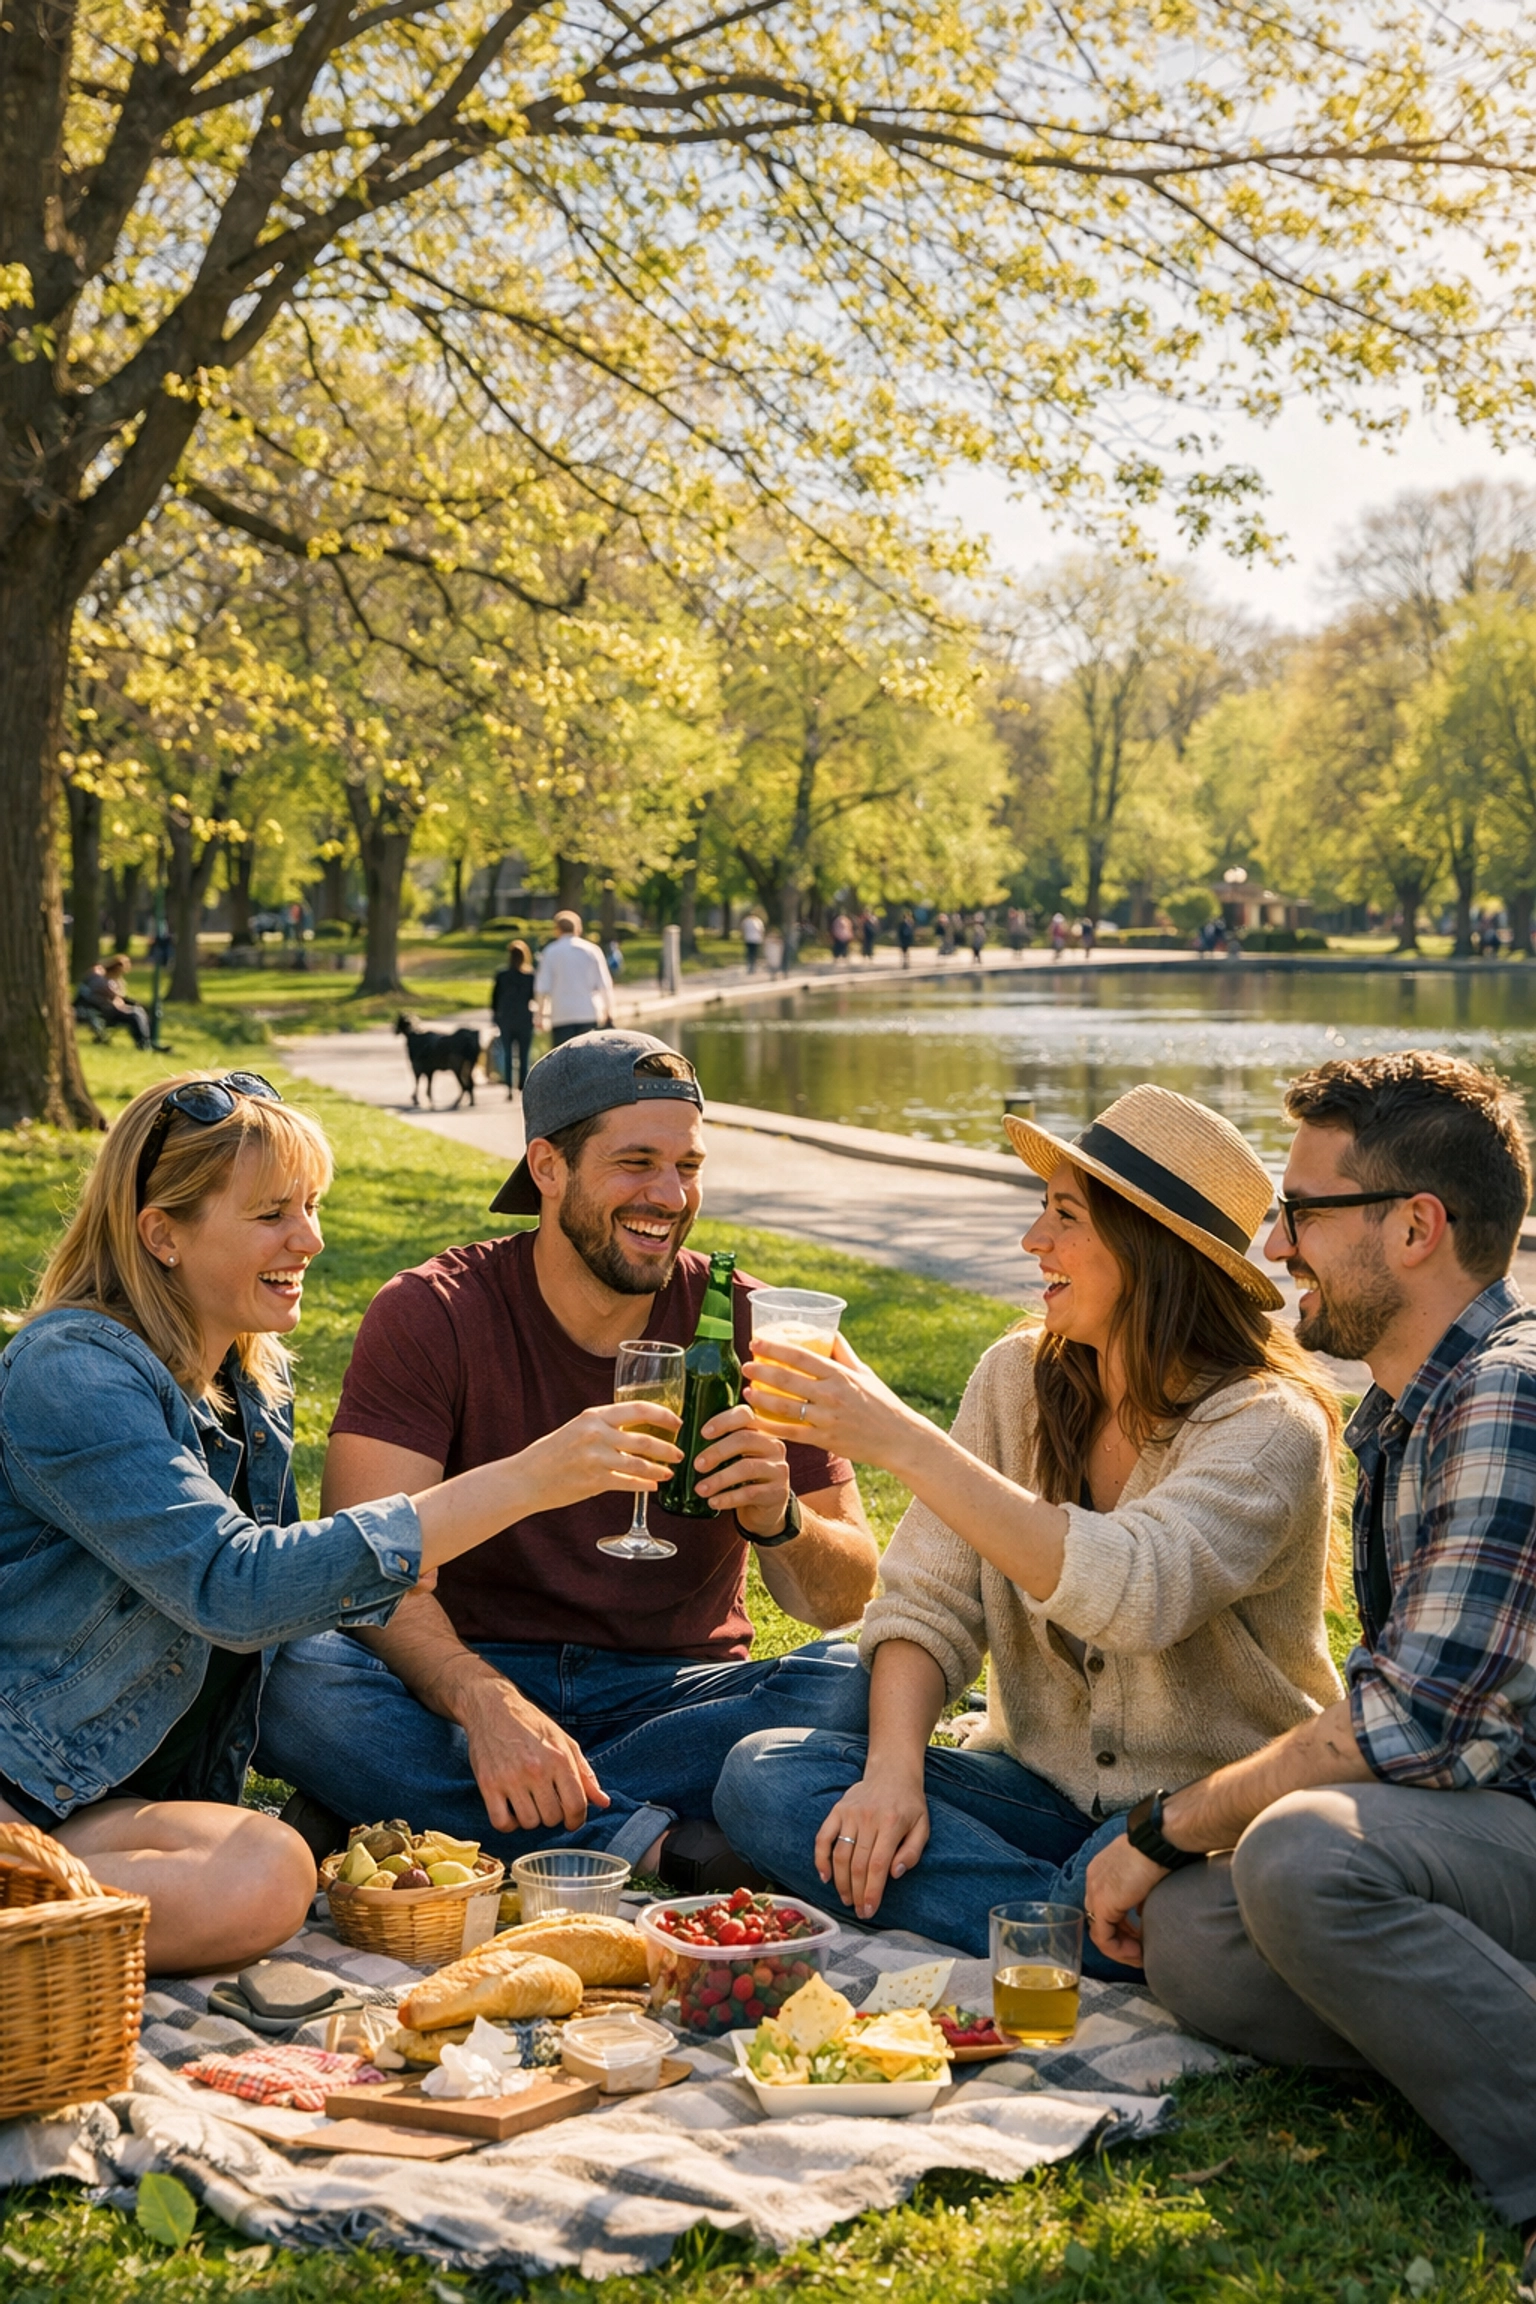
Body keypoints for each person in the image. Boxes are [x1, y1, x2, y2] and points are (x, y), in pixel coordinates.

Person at [0, 1076, 673, 1973]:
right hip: (24, 1774)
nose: (310, 1240)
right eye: (273, 1213)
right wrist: (525, 1482)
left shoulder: (248, 1389)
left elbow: (291, 1619)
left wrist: (473, 1685)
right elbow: (233, 1589)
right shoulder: (70, 1371)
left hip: (91, 1802)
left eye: (311, 1207)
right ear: (161, 1233)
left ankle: (32, 1909)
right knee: (273, 1867)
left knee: (271, 1867)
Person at [715, 1084, 1341, 1971]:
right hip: (1035, 1788)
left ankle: (1060, 1917)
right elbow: (925, 1601)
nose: (1033, 1242)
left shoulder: (1270, 1427)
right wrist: (892, 1773)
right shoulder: (1016, 1378)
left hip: (1193, 1816)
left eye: (1066, 1217)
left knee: (1152, 1888)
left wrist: (904, 1440)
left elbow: (1135, 1593)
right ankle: (1077, 1932)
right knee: (767, 1775)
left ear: (1150, 1248)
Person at [1085, 1053, 1536, 2285]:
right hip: (1482, 1836)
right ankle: (1461, 2029)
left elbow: (1406, 1725)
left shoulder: (1506, 1394)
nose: (1276, 1244)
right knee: (1190, 1936)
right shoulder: (1408, 1413)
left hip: (1508, 1826)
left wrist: (1171, 1821)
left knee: (1294, 1854)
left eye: (1301, 1211)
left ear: (1413, 1227)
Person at [257, 1031, 879, 1891]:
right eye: (636, 1163)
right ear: (547, 1167)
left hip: (674, 1692)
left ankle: (434, 1802)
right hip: (466, 1675)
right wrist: (486, 1705)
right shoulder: (434, 1311)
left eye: (688, 1166)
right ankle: (663, 1843)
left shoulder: (751, 1326)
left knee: (854, 1683)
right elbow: (366, 1584)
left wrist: (783, 1522)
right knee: (291, 1674)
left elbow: (843, 1600)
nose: (670, 1195)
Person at [534, 911, 613, 1046]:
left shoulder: (550, 951)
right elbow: (604, 984)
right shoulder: (592, 950)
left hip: (561, 1014)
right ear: (578, 928)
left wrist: (540, 1016)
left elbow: (542, 987)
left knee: (564, 1061)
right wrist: (608, 1010)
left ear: (557, 930)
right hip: (588, 1012)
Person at [491, 938, 536, 1096]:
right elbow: (533, 997)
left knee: (508, 1053)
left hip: (507, 1019)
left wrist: (495, 1017)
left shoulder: (502, 975)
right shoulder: (530, 976)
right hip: (524, 1018)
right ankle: (522, 1086)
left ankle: (509, 1086)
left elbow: (495, 998)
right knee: (524, 1055)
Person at [77, 955, 151, 1050]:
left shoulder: (113, 980)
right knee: (135, 1015)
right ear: (117, 967)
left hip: (110, 1009)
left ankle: (147, 1041)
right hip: (104, 1012)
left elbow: (118, 998)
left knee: (140, 1011)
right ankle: (143, 1043)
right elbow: (113, 998)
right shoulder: (102, 980)